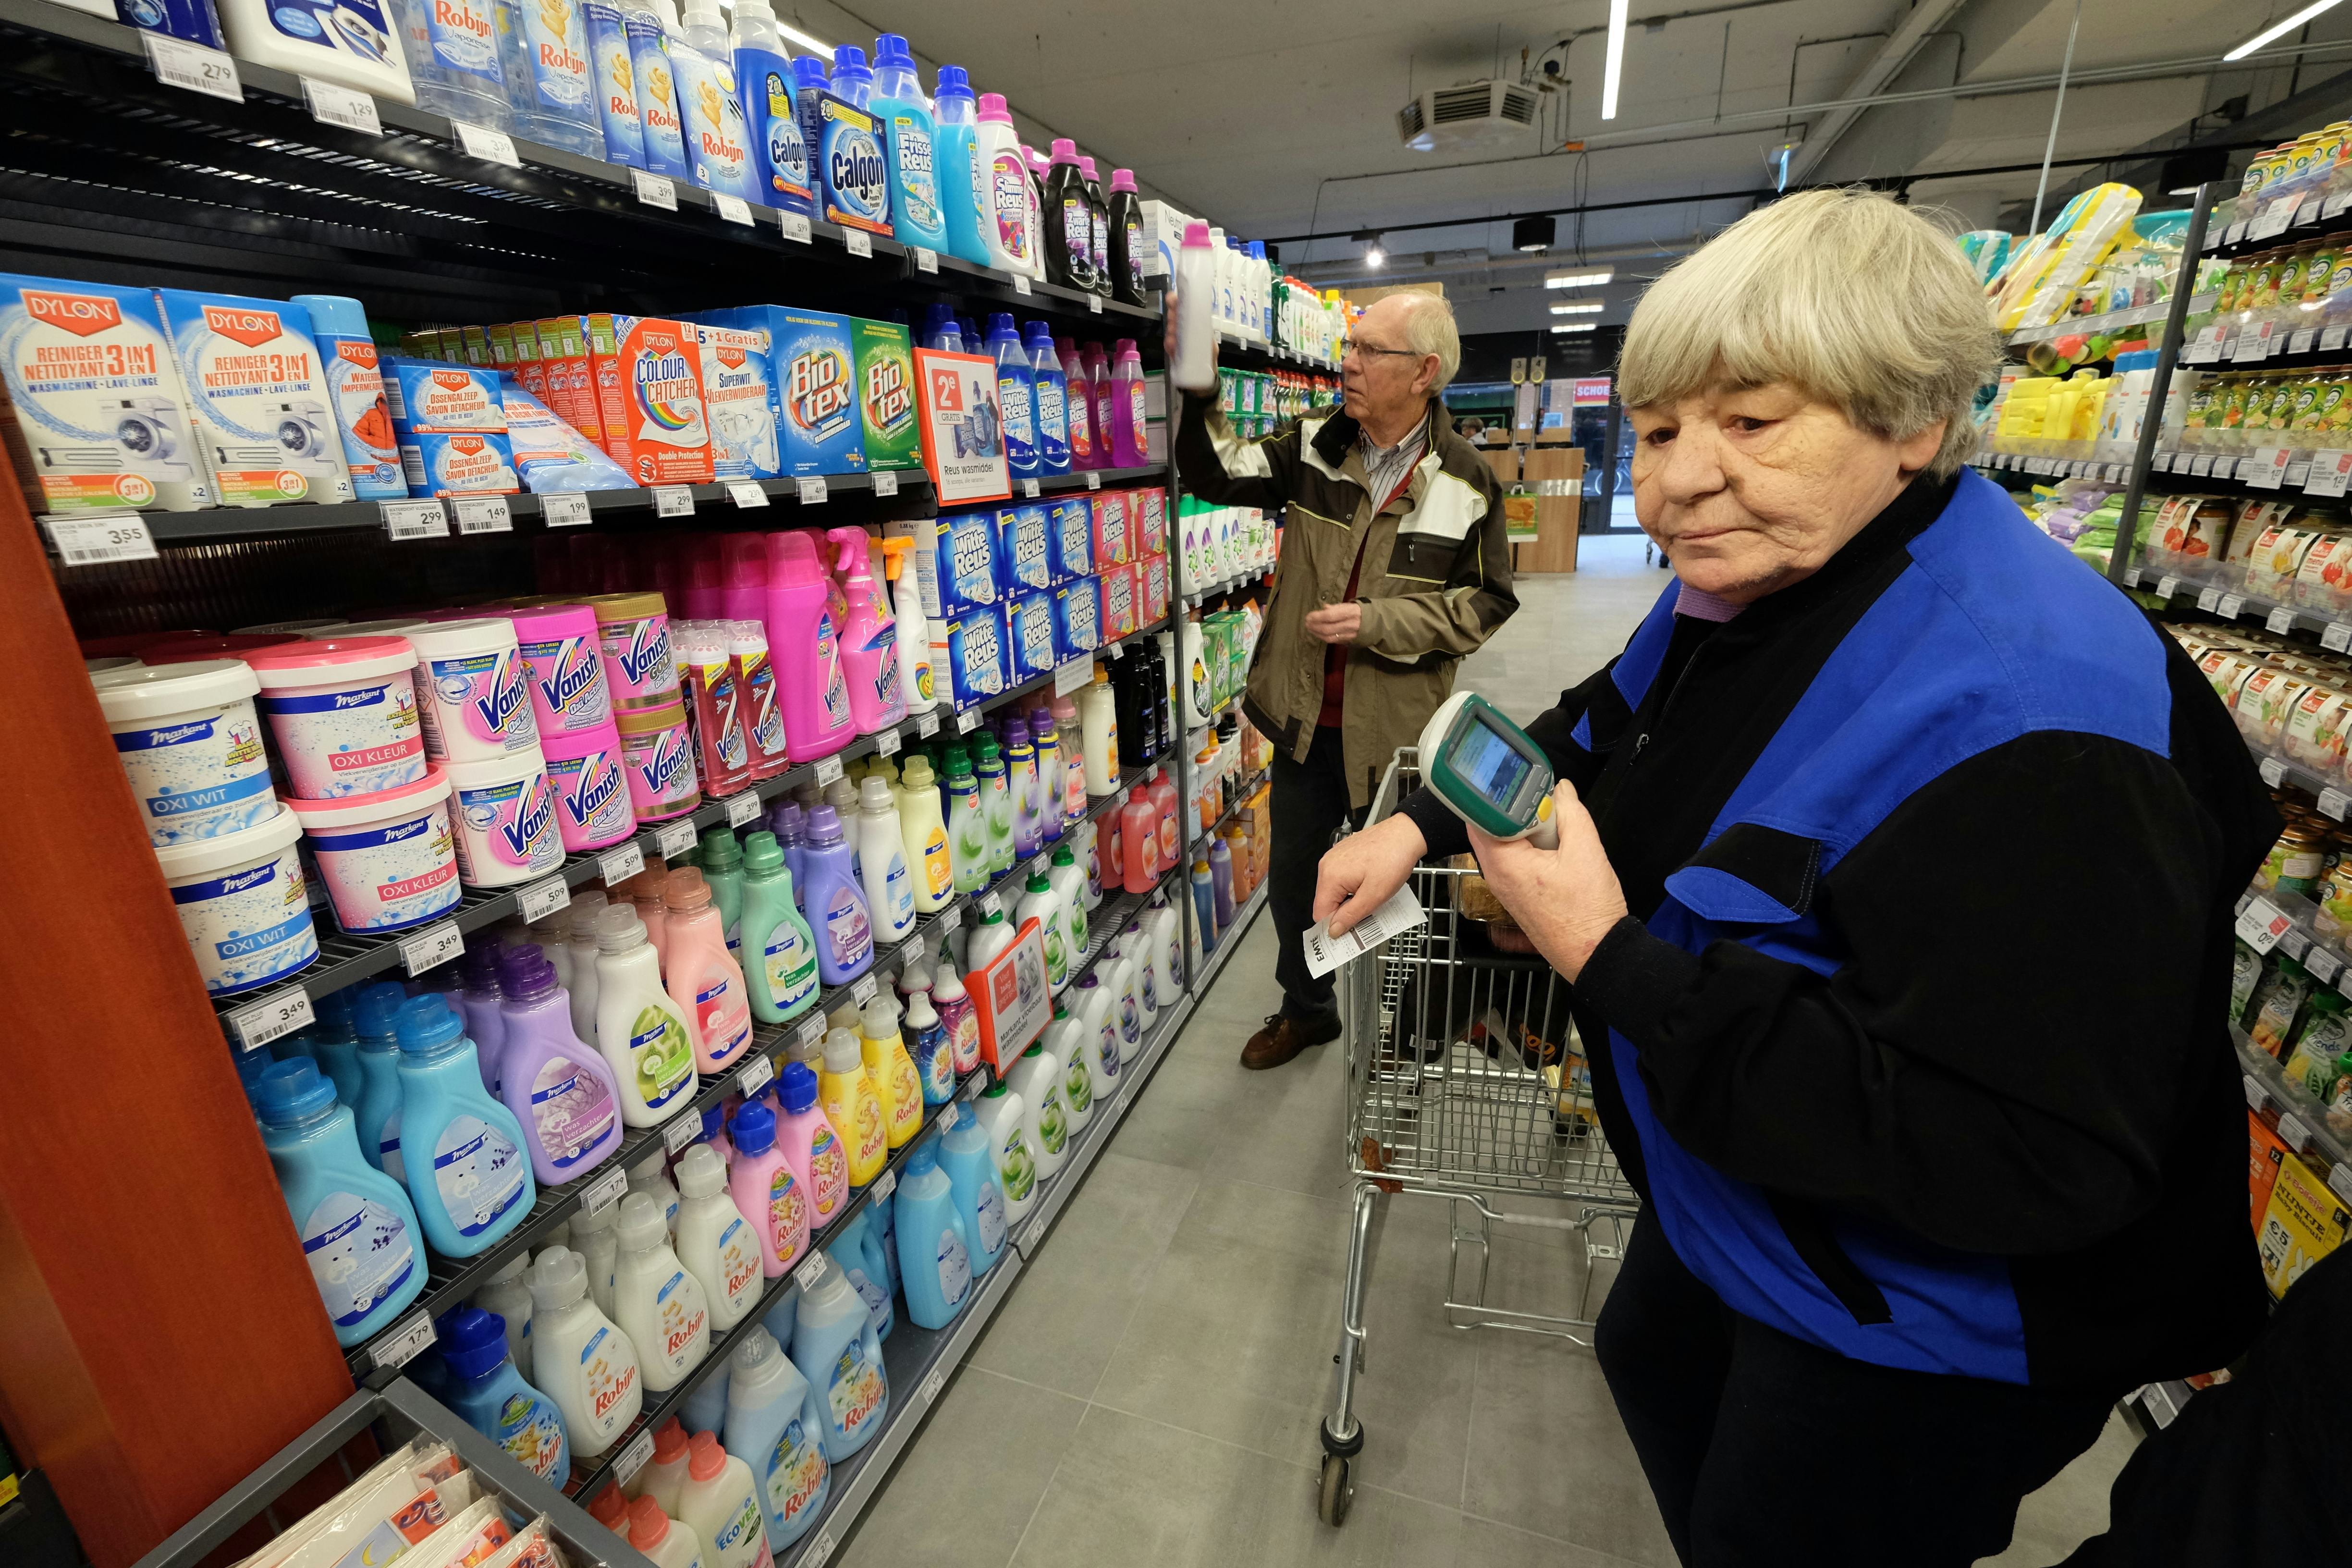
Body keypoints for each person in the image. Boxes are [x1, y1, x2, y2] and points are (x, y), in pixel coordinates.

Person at [1312, 189, 2275, 1566]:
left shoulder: (2047, 728)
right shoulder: (1767, 577)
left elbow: (2024, 1158)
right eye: (1654, 434)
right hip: (1749, 1210)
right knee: (1649, 1356)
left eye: (1751, 423)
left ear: (1915, 422)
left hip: (1911, 1323)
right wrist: (1427, 822)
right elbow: (1606, 709)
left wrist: (1609, 956)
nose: (1674, 483)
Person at [1174, 290, 1516, 1070]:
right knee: (1294, 885)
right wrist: (1197, 388)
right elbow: (1217, 472)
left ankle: (1414, 1027)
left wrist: (1380, 622)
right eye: (1350, 348)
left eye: (1369, 352)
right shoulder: (1316, 446)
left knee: (1411, 893)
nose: (1348, 364)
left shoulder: (1468, 482)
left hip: (1396, 737)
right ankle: (1309, 1011)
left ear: (1424, 372)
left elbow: (1489, 601)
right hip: (1302, 723)